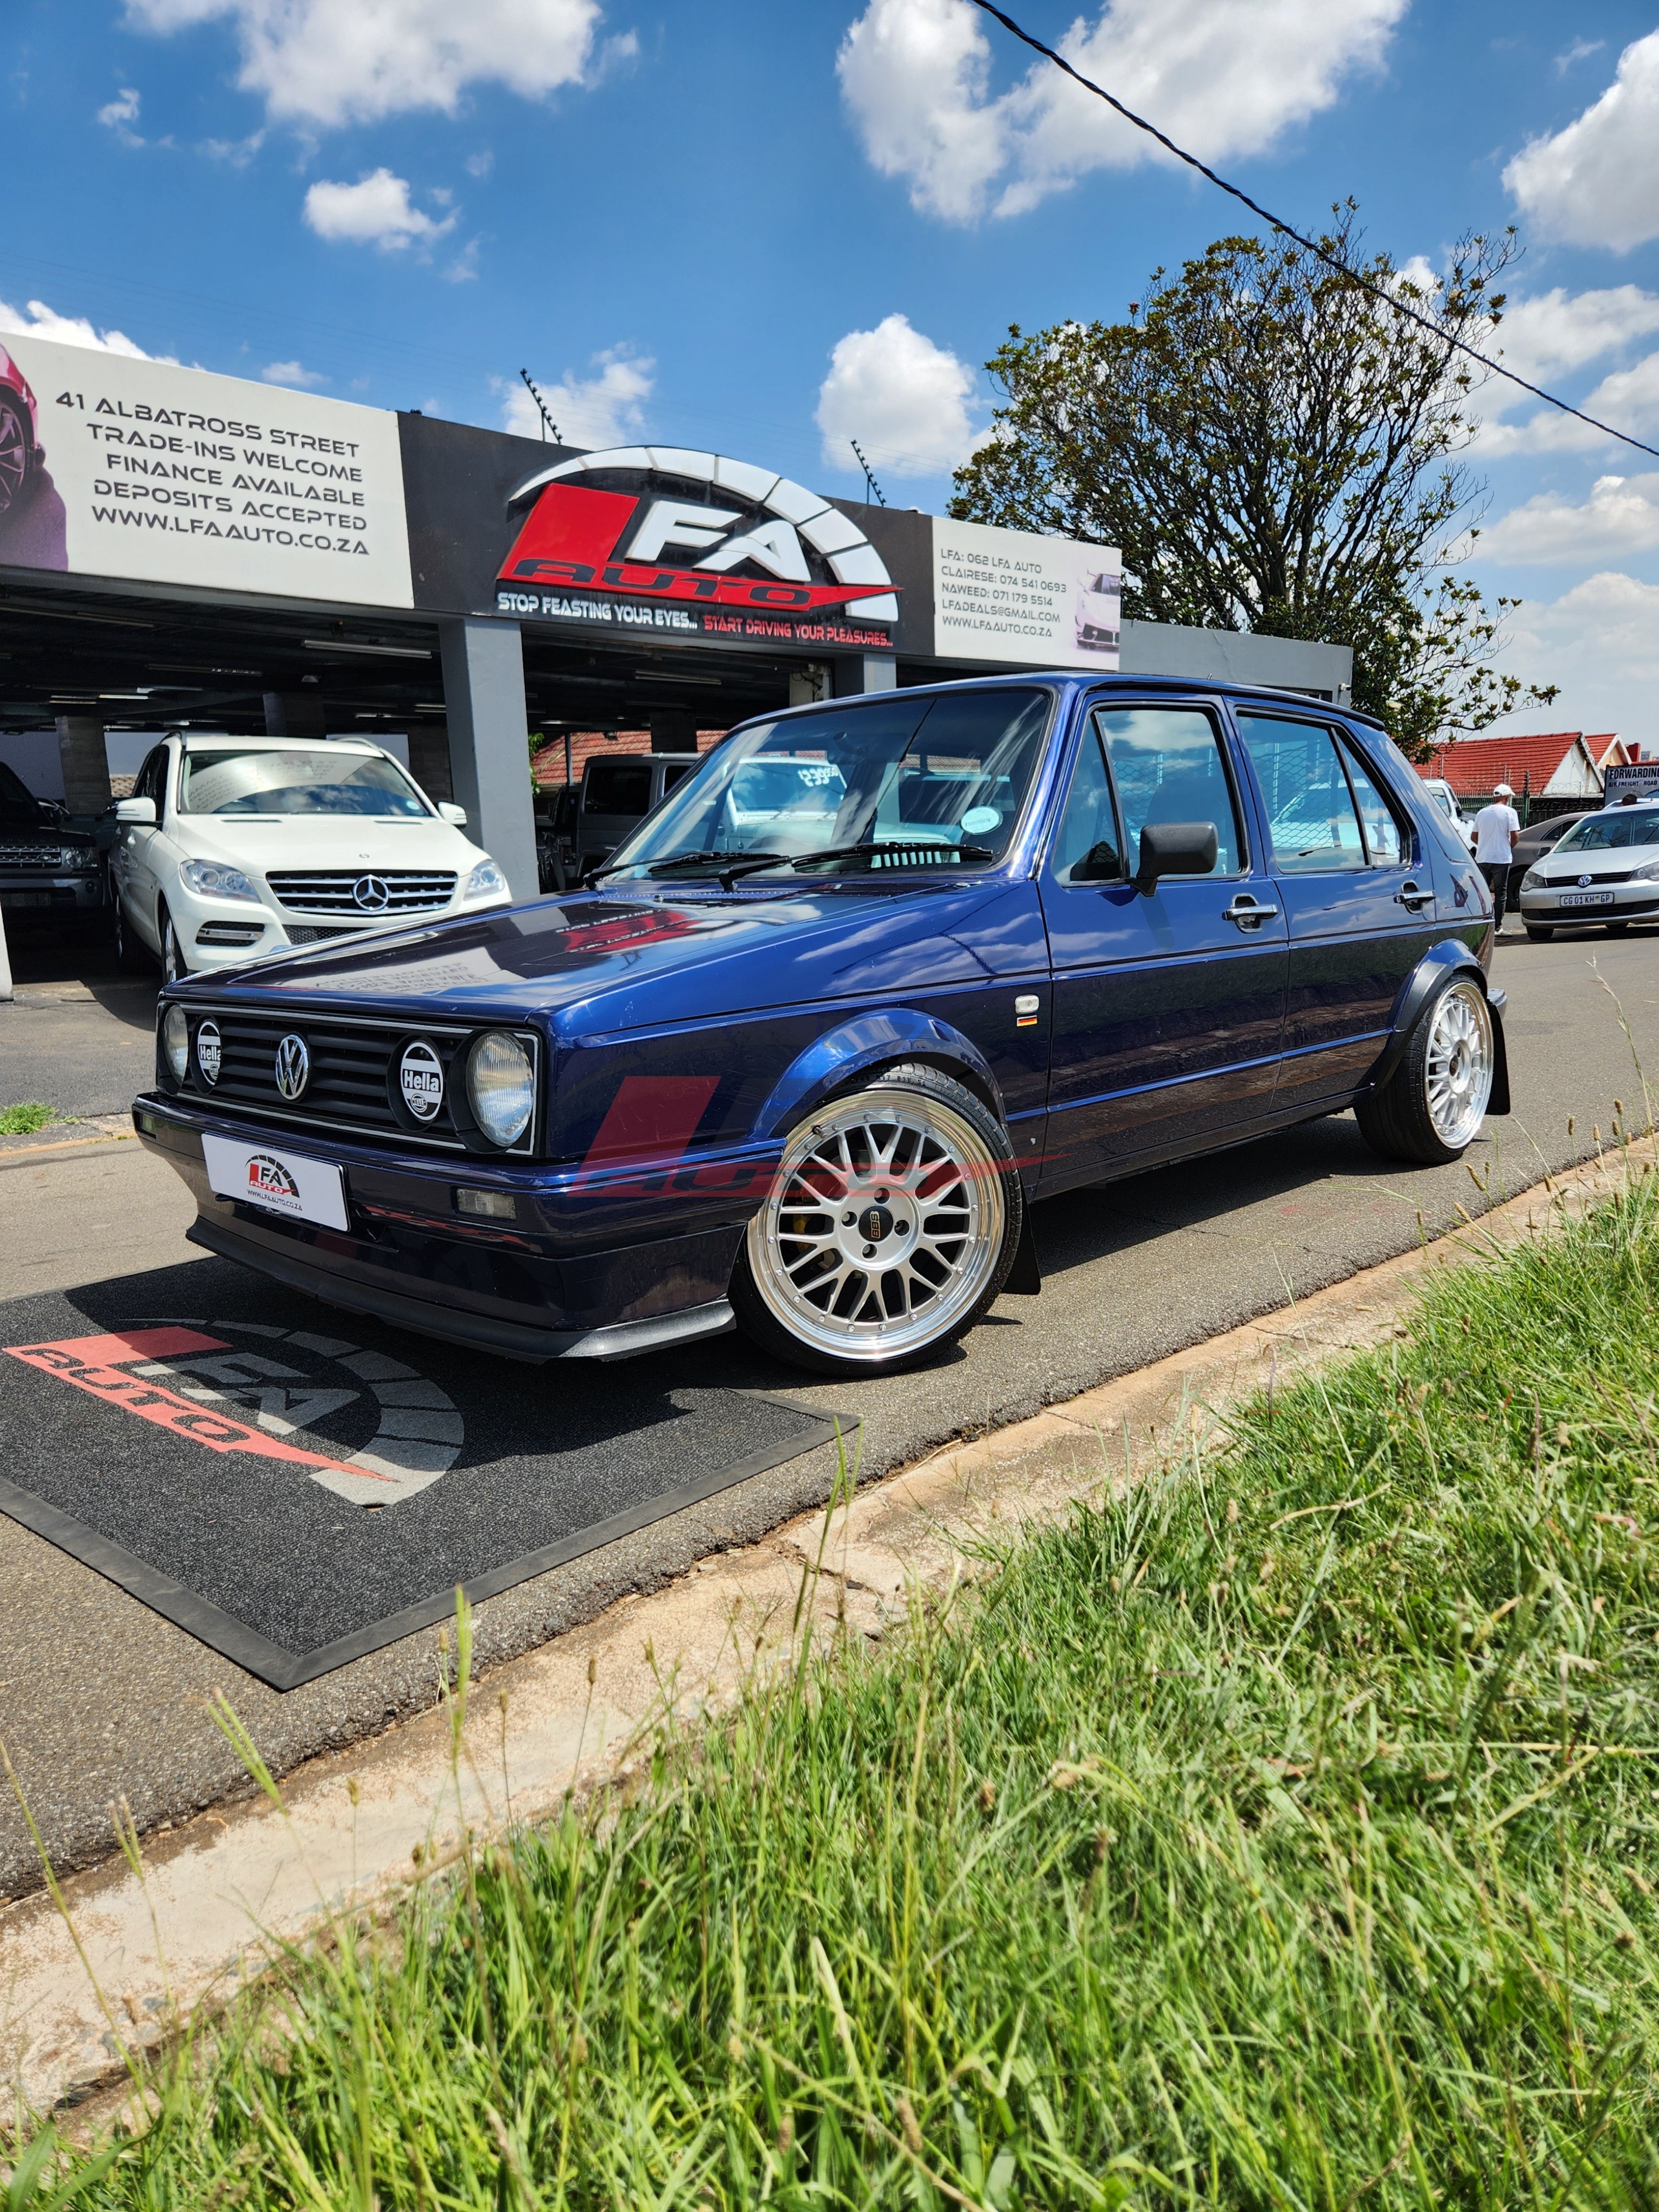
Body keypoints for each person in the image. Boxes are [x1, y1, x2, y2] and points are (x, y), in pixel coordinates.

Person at [1473, 782, 1521, 932]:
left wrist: (1485, 845)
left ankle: (1479, 924)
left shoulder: (1482, 813)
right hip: (1501, 858)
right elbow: (1515, 836)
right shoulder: (1510, 812)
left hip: (1483, 858)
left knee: (1481, 892)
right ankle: (1497, 926)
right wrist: (1508, 847)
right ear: (1507, 797)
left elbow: (1474, 837)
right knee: (1501, 893)